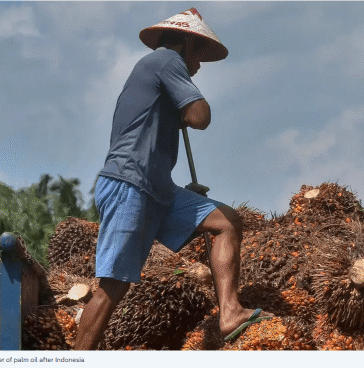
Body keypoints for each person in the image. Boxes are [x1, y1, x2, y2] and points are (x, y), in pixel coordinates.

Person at [73, 8, 273, 350]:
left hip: (156, 188)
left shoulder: (159, 72)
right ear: (186, 43)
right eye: (198, 58)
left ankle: (230, 313)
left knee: (226, 222)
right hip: (130, 184)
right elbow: (200, 116)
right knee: (113, 287)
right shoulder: (167, 61)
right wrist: (186, 104)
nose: (197, 68)